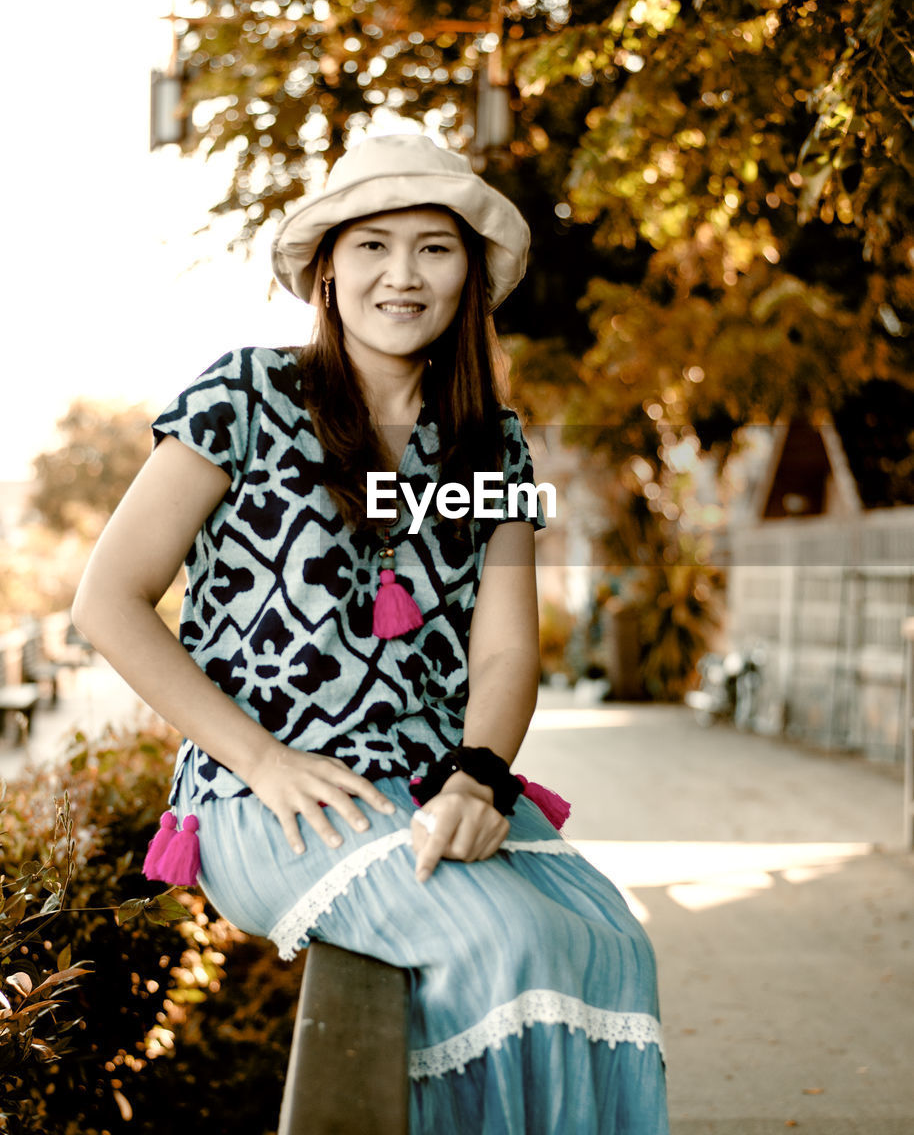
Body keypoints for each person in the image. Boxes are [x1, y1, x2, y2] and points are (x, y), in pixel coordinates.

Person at [73, 133, 669, 1134]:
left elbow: (504, 649)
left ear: (469, 274)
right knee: (505, 941)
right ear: (326, 268)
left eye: (433, 247)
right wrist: (259, 758)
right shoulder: (244, 400)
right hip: (275, 797)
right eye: (371, 245)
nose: (402, 274)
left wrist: (480, 774)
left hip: (442, 783)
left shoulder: (495, 443)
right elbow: (107, 600)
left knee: (613, 942)